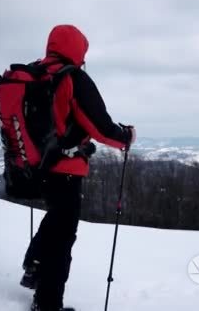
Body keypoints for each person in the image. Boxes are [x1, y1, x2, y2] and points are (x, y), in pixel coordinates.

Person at [20, 24, 136, 311]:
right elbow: (100, 126)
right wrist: (125, 137)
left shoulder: (36, 74)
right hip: (65, 170)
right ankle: (47, 303)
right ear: (78, 49)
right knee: (63, 236)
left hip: (36, 166)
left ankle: (33, 265)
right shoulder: (73, 77)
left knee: (56, 219)